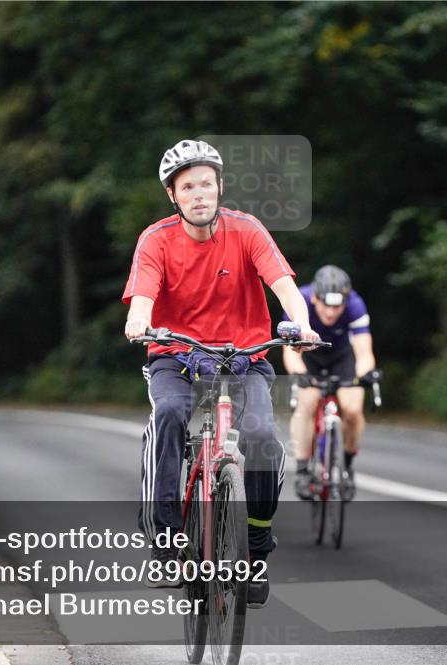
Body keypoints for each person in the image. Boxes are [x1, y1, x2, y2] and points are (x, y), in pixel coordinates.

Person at [123, 139, 320, 607]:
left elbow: (285, 288)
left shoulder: (247, 229)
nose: (198, 193)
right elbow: (143, 299)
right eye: (187, 186)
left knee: (260, 439)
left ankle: (254, 545)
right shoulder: (156, 240)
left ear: (220, 187)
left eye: (206, 183)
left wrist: (302, 322)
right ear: (173, 194)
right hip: (176, 353)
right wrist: (138, 321)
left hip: (245, 353)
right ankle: (165, 537)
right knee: (169, 413)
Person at [281, 265, 376, 501]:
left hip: (342, 357)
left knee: (353, 409)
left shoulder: (355, 304)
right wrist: (299, 373)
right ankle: (303, 470)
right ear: (315, 297)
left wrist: (363, 375)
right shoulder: (300, 300)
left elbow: (364, 352)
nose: (332, 312)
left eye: (338, 306)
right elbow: (290, 351)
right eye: (326, 305)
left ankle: (347, 465)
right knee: (308, 403)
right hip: (308, 356)